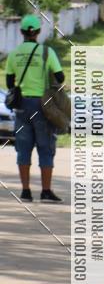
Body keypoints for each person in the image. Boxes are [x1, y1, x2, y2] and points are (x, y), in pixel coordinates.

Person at [5, 14, 64, 202]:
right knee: (45, 149)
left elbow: (9, 82)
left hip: (22, 107)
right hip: (43, 106)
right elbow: (60, 77)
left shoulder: (14, 54)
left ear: (21, 32)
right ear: (38, 32)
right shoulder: (47, 52)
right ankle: (46, 191)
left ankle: (25, 191)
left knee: (23, 150)